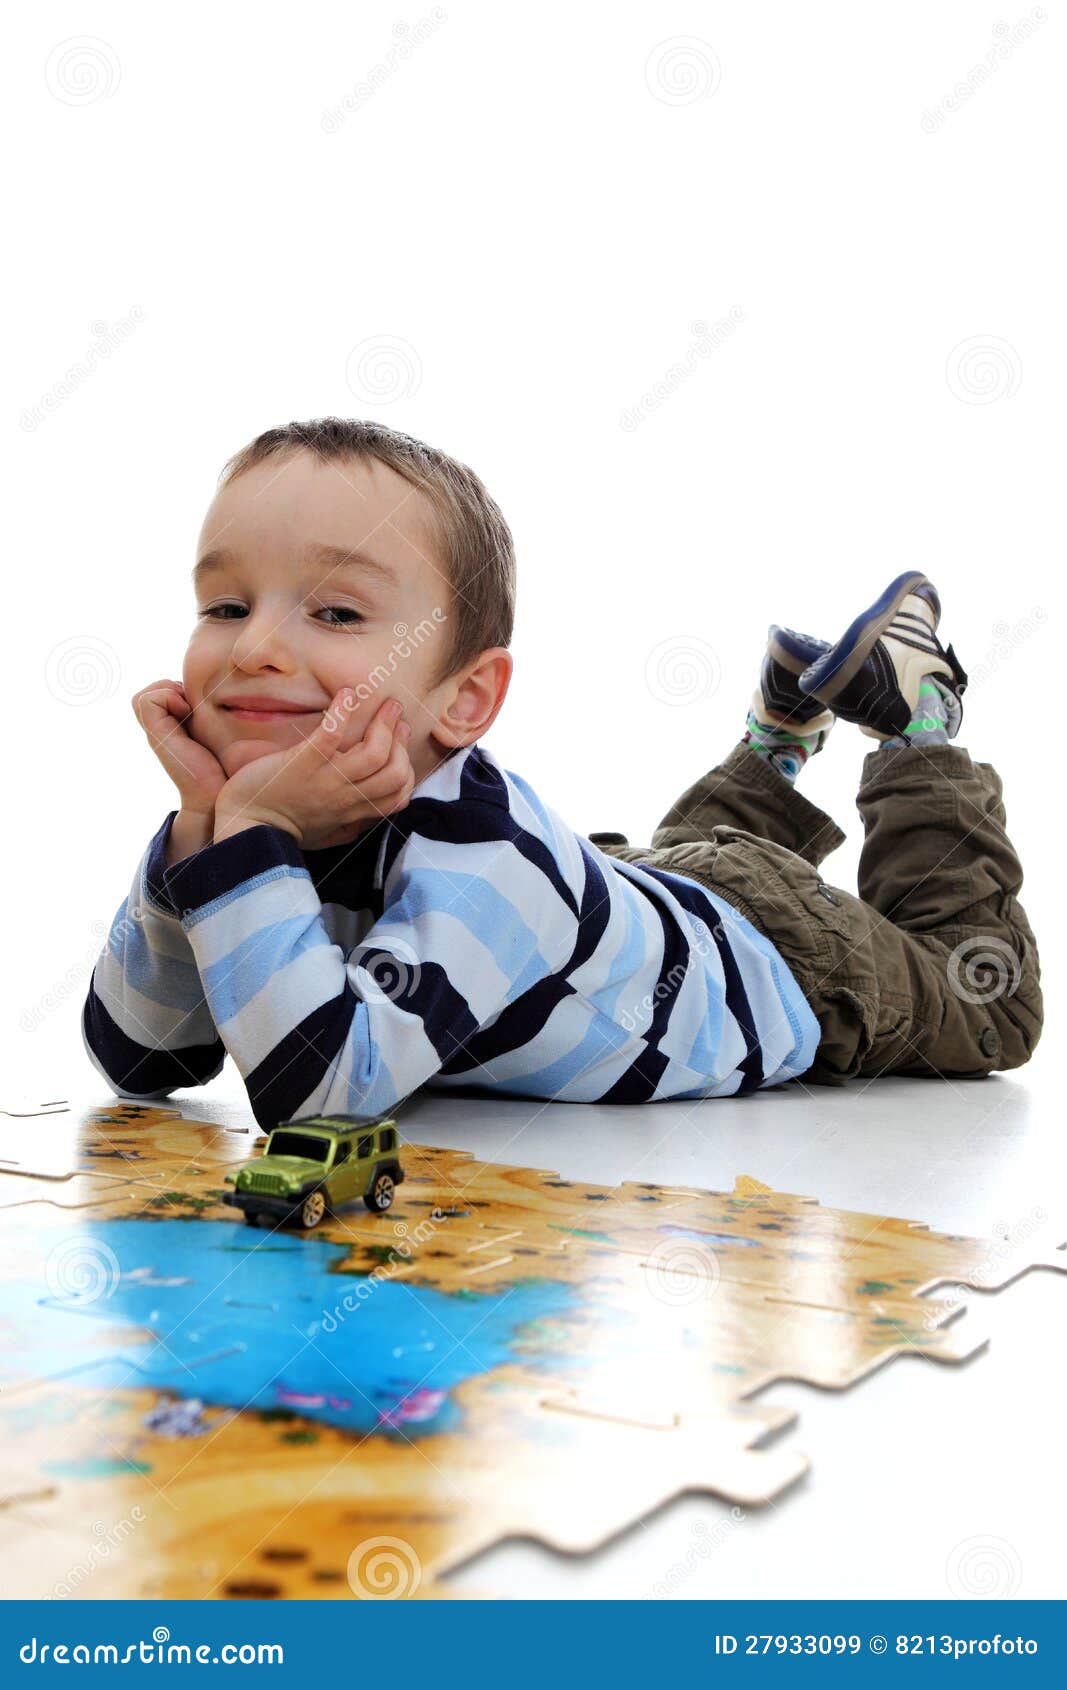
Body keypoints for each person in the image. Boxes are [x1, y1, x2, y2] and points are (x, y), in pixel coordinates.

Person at [81, 419, 1042, 1129]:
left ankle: (920, 723)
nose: (255, 648)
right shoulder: (257, 821)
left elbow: (323, 1091)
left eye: (334, 614)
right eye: (225, 605)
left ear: (463, 701)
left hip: (784, 964)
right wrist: (195, 834)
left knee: (985, 1006)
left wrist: (242, 838)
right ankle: (774, 744)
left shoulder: (485, 861)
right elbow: (142, 1055)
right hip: (641, 891)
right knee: (673, 871)